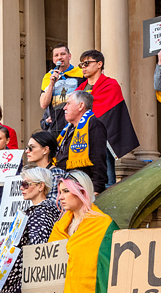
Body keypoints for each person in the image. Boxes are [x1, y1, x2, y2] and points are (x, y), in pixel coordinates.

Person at [75, 49, 140, 186]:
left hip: (102, 139)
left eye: (86, 63)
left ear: (99, 64)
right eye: (81, 65)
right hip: (82, 140)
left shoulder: (111, 84)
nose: (83, 67)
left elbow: (104, 110)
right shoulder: (80, 88)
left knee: (107, 181)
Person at [55, 91, 108, 194]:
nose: (64, 108)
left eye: (68, 103)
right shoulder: (68, 129)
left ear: (81, 106)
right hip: (66, 186)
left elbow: (98, 158)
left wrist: (97, 189)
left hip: (82, 188)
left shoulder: (94, 125)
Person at [39, 44, 85, 134]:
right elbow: (43, 104)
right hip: (56, 127)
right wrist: (52, 83)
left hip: (76, 125)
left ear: (69, 56)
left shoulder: (80, 73)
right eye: (56, 55)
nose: (60, 57)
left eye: (63, 54)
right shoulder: (48, 77)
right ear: (53, 59)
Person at [25, 131, 64, 204]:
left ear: (45, 150)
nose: (27, 151)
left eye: (31, 147)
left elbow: (56, 205)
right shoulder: (31, 173)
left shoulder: (56, 174)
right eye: (27, 148)